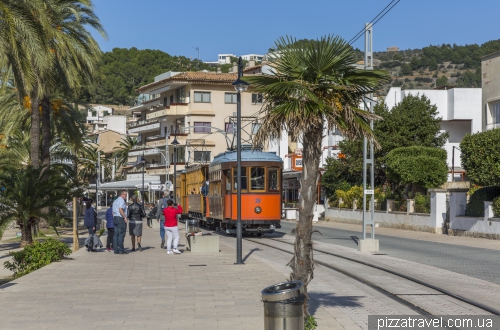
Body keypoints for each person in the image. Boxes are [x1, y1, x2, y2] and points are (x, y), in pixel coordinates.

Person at [112, 190, 129, 255]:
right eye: (125, 195)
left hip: (115, 217)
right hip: (120, 218)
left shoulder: (115, 201)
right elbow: (120, 209)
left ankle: (116, 250)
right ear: (122, 195)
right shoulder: (121, 200)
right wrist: (125, 217)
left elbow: (113, 212)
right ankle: (121, 250)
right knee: (121, 235)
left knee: (115, 235)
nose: (126, 196)